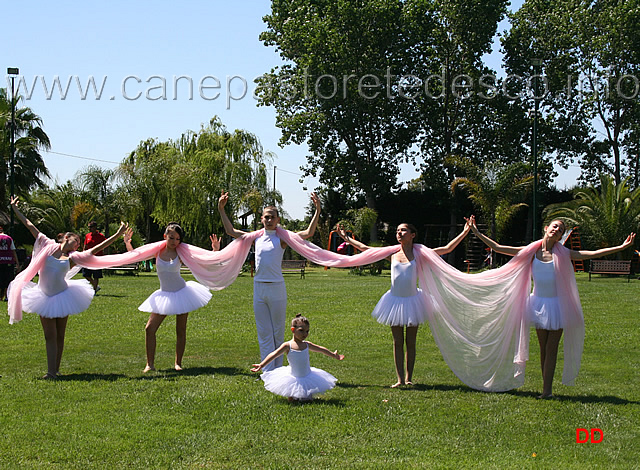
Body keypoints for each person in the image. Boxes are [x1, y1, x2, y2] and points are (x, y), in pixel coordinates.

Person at [469, 216, 635, 398]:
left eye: (561, 230)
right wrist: (477, 232)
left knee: (552, 348)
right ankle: (545, 388)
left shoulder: (563, 253)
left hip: (557, 306)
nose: (557, 230)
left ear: (560, 237)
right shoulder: (531, 251)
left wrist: (620, 247)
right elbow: (498, 248)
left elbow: (592, 253)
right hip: (538, 304)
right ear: (547, 228)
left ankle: (547, 391)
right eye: (555, 227)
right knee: (543, 349)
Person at [339, 221, 471, 388]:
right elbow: (366, 249)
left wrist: (465, 232)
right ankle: (400, 379)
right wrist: (347, 239)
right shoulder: (392, 253)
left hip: (414, 301)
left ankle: (409, 377)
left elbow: (446, 249)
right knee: (397, 342)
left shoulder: (421, 254)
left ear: (412, 234)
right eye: (397, 230)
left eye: (403, 230)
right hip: (394, 302)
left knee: (411, 342)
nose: (399, 233)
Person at [8, 197, 127, 379]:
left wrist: (117, 235)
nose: (78, 244)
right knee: (50, 335)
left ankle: (55, 370)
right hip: (43, 296)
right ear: (65, 237)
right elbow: (30, 225)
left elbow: (95, 250)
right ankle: (50, 372)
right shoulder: (47, 245)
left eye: (79, 243)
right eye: (76, 240)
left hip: (63, 295)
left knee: (60, 335)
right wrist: (16, 210)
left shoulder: (73, 257)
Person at [218, 192, 321, 371]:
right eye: (266, 217)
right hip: (259, 288)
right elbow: (231, 231)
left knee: (277, 332)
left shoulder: (282, 238)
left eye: (272, 217)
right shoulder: (256, 237)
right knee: (264, 332)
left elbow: (308, 233)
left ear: (278, 219)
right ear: (261, 219)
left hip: (276, 289)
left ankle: (278, 370)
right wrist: (221, 209)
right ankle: (267, 371)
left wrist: (317, 210)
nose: (269, 220)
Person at [123, 224, 219, 373]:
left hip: (182, 292)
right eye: (172, 237)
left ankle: (178, 363)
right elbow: (135, 256)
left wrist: (214, 250)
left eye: (178, 239)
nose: (174, 241)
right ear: (165, 236)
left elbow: (203, 260)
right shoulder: (156, 251)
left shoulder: (181, 252)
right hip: (164, 294)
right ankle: (150, 364)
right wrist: (128, 242)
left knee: (180, 330)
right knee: (149, 329)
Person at [251, 314, 344, 402]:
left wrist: (333, 355)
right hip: (294, 376)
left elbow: (321, 349)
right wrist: (262, 364)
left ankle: (305, 396)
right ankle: (292, 397)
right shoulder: (288, 345)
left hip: (307, 374)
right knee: (293, 398)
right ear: (293, 330)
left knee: (307, 399)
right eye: (301, 330)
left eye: (307, 331)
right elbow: (274, 354)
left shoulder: (306, 344)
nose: (305, 334)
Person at [82, 221, 107, 293]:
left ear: (95, 227)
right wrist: (83, 254)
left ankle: (94, 290)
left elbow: (105, 245)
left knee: (96, 275)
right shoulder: (87, 236)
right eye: (89, 227)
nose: (89, 228)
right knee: (86, 274)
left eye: (91, 227)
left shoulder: (101, 236)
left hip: (97, 258)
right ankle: (95, 286)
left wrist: (104, 256)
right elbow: (85, 246)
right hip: (88, 258)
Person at [0, 225, 19, 301]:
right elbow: (13, 251)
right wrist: (17, 263)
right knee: (8, 280)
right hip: (8, 262)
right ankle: (7, 296)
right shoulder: (9, 238)